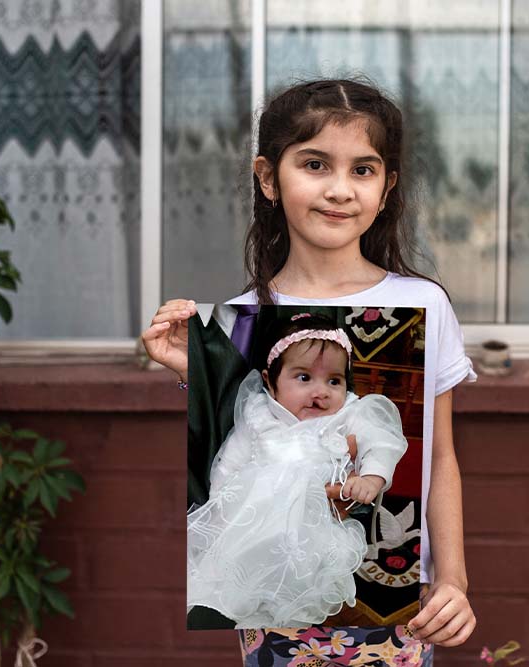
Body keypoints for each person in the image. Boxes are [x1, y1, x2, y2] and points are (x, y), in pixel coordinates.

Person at [142, 78, 477, 665]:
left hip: (396, 608)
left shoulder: (425, 304)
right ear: (269, 178)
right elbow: (237, 458)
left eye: (363, 170)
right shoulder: (241, 319)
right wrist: (194, 369)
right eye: (316, 164)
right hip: (274, 602)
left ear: (387, 186)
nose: (340, 190)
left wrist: (454, 580)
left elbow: (440, 455)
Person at [187, 312, 409, 629]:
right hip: (249, 524)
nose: (321, 391)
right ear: (269, 381)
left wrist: (372, 476)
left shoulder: (348, 412)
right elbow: (230, 462)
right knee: (233, 585)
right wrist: (220, 508)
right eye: (303, 378)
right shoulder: (260, 415)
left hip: (312, 531)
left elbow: (381, 440)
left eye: (334, 381)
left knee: (294, 599)